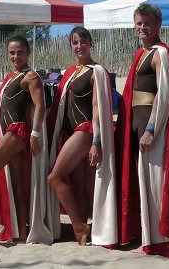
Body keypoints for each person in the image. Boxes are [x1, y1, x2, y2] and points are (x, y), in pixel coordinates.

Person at [115, 3, 169, 257]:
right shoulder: (142, 53)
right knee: (145, 184)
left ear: (158, 25)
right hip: (139, 125)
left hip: (152, 128)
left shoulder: (159, 53)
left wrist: (151, 129)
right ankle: (149, 239)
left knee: (157, 184)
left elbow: (164, 93)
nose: (142, 27)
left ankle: (162, 241)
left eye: (147, 23)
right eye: (138, 23)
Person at [0, 36, 55, 246]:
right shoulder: (13, 75)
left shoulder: (30, 76)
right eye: (12, 52)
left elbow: (40, 106)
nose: (15, 56)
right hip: (9, 133)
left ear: (27, 53)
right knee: (17, 183)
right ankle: (20, 229)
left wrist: (35, 133)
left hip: (17, 132)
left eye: (20, 52)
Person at [47, 26, 117, 246]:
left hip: (85, 131)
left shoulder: (96, 71)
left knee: (54, 177)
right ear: (71, 45)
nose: (80, 46)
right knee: (77, 184)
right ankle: (83, 230)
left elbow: (98, 107)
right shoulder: (70, 72)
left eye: (83, 41)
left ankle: (79, 225)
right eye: (75, 42)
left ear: (91, 43)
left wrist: (97, 141)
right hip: (70, 132)